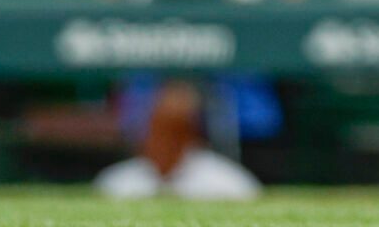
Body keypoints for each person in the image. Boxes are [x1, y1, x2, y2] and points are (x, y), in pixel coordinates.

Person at [94, 81, 261, 202]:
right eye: (157, 134)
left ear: (191, 137)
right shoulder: (116, 182)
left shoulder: (228, 184)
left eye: (173, 135)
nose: (162, 144)